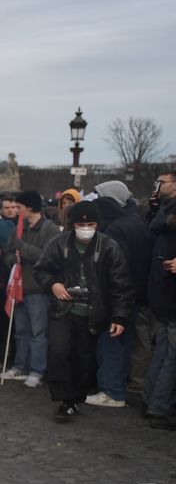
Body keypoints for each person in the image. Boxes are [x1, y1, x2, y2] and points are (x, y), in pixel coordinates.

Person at [33, 201, 132, 423]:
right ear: (72, 224)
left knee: (82, 358)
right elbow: (41, 270)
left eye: (91, 223)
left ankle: (74, 400)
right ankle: (63, 398)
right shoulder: (59, 243)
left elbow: (121, 286)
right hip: (63, 309)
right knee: (58, 350)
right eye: (80, 223)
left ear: (98, 224)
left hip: (92, 312)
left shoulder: (109, 247)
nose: (85, 227)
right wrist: (53, 285)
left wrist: (119, 316)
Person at [84, 181, 149, 408]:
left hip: (115, 297)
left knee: (111, 344)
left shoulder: (115, 228)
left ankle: (112, 391)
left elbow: (115, 268)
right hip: (131, 295)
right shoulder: (135, 221)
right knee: (121, 343)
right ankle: (114, 388)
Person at [1, 190, 61, 387]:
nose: (16, 211)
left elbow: (49, 258)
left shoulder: (49, 229)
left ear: (30, 207)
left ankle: (37, 370)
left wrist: (23, 249)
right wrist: (12, 259)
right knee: (21, 331)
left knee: (38, 333)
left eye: (19, 207)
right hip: (19, 288)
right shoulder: (18, 228)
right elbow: (8, 253)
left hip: (38, 290)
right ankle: (20, 366)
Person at [143, 171, 176, 430]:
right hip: (169, 293)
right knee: (170, 355)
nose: (157, 186)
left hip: (161, 292)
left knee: (164, 351)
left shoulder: (162, 214)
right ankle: (160, 406)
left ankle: (151, 400)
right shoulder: (165, 214)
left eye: (161, 182)